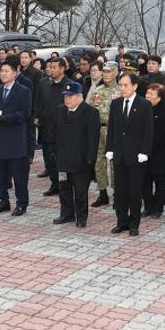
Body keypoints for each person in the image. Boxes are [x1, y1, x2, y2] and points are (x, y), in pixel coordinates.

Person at [105, 72, 153, 236]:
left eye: (126, 85)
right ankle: (121, 222)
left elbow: (148, 131)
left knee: (134, 191)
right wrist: (109, 148)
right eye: (121, 85)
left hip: (136, 155)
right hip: (119, 154)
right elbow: (112, 128)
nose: (122, 88)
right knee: (120, 191)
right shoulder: (116, 103)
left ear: (135, 86)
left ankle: (134, 223)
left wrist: (144, 151)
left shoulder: (144, 104)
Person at [52, 81, 101, 228]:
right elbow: (54, 133)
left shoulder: (90, 112)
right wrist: (54, 152)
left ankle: (81, 217)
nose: (67, 99)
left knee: (80, 191)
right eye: (65, 96)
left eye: (71, 96)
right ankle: (67, 214)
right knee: (64, 188)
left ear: (80, 96)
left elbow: (93, 138)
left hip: (81, 160)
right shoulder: (60, 110)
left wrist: (90, 158)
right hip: (63, 158)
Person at [0, 57, 33, 216]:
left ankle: (22, 203)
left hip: (15, 139)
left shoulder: (23, 91)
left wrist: (6, 118)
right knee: (0, 175)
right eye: (2, 71)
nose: (3, 74)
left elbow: (25, 113)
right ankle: (3, 201)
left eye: (7, 71)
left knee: (19, 176)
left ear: (15, 73)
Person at [38, 58, 75, 195]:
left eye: (54, 67)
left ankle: (65, 186)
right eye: (50, 67)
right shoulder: (44, 83)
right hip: (47, 127)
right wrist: (38, 116)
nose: (51, 70)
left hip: (64, 129)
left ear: (62, 68)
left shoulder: (70, 85)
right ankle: (54, 184)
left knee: (62, 160)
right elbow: (40, 101)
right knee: (49, 157)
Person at [86, 61, 120, 207]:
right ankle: (102, 193)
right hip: (98, 130)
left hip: (114, 131)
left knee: (114, 163)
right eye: (104, 71)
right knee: (99, 162)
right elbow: (89, 112)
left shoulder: (121, 91)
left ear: (116, 73)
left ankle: (118, 194)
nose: (106, 74)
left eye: (109, 71)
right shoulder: (96, 91)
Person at [142, 83, 165, 219]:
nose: (147, 96)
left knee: (160, 183)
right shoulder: (142, 109)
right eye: (147, 93)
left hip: (159, 153)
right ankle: (148, 206)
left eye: (151, 94)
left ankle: (158, 209)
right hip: (143, 154)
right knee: (145, 183)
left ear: (159, 97)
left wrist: (148, 146)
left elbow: (164, 134)